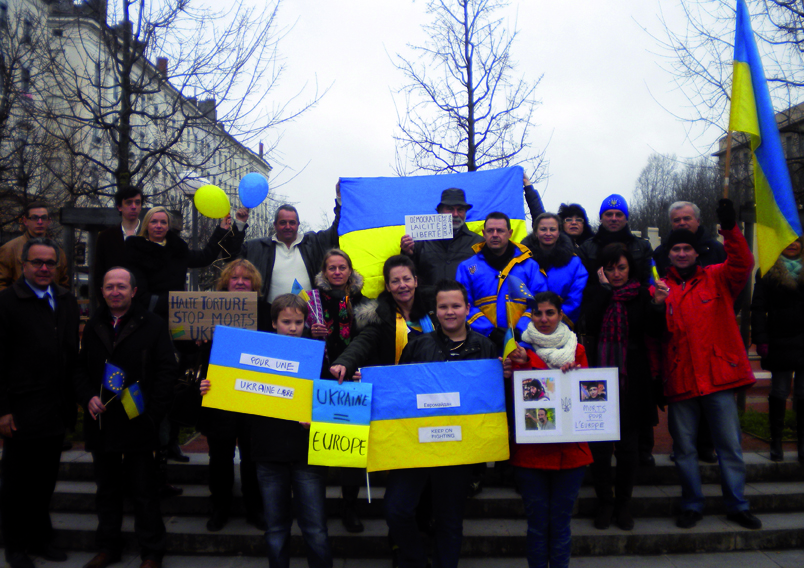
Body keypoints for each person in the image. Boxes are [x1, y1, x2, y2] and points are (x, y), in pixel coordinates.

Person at [652, 199, 762, 530]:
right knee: (684, 449)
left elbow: (743, 263)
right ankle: (691, 502)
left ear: (697, 252)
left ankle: (737, 504)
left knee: (729, 447)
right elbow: (655, 337)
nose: (682, 253)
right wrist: (657, 309)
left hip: (717, 378)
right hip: (681, 380)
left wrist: (730, 229)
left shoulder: (718, 277)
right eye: (676, 250)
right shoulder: (660, 289)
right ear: (668, 255)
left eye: (687, 249)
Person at [202, 294, 333, 568]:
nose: (294, 327)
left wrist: (317, 416)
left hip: (306, 454)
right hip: (267, 453)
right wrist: (210, 389)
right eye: (287, 321)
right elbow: (233, 390)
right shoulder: (254, 354)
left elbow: (329, 399)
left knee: (316, 529)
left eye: (299, 322)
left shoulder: (314, 355)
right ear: (274, 323)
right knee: (275, 530)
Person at [385, 279, 499, 568]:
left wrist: (506, 376)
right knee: (397, 509)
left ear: (467, 308)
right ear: (435, 311)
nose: (450, 312)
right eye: (443, 306)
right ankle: (416, 562)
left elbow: (491, 401)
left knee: (449, 520)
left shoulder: (485, 348)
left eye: (456, 306)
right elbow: (399, 388)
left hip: (459, 448)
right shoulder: (418, 344)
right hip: (416, 444)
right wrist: (374, 382)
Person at [126, 205, 244, 481]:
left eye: (163, 221)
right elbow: (140, 294)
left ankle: (172, 441)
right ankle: (159, 443)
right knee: (157, 379)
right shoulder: (136, 249)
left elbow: (203, 257)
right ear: (146, 224)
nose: (158, 225)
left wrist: (222, 230)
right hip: (152, 320)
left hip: (179, 319)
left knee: (180, 378)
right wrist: (183, 306)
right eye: (154, 221)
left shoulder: (176, 247)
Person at [74, 267, 177, 568]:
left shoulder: (154, 324)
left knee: (144, 491)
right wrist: (87, 396)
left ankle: (152, 551)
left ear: (133, 291)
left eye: (121, 286)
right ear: (102, 291)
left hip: (139, 422)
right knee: (106, 490)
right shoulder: (93, 325)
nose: (115, 292)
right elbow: (79, 368)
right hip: (103, 421)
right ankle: (108, 546)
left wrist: (154, 414)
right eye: (109, 287)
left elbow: (166, 372)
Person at [0, 237, 79, 568]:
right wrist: (2, 409)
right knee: (18, 483)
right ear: (24, 265)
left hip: (55, 407)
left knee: (45, 481)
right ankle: (15, 547)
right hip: (20, 408)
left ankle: (40, 538)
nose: (45, 268)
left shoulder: (66, 300)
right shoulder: (6, 302)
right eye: (38, 262)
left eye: (50, 263)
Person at [503, 291, 592, 568]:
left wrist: (574, 376)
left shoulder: (577, 349)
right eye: (537, 313)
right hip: (531, 454)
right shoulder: (517, 350)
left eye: (549, 313)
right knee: (538, 525)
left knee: (561, 524)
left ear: (560, 314)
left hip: (571, 453)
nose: (543, 319)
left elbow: (586, 400)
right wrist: (507, 369)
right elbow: (508, 399)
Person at [579, 243, 662, 531]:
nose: (616, 274)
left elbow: (655, 332)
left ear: (631, 268)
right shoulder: (595, 292)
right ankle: (605, 501)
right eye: (610, 268)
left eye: (621, 267)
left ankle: (624, 503)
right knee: (600, 449)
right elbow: (589, 320)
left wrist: (658, 305)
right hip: (598, 377)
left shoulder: (641, 294)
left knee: (628, 449)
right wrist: (603, 290)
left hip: (632, 378)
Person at [196, 259, 267, 532]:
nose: (240, 282)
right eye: (234, 278)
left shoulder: (266, 310)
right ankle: (220, 507)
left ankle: (254, 508)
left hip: (253, 394)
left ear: (254, 284)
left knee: (252, 455)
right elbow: (191, 350)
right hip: (219, 391)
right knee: (220, 455)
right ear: (225, 282)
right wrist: (195, 341)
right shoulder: (208, 310)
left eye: (246, 279)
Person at [400, 175, 545, 299]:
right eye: (450, 209)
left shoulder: (479, 243)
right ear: (439, 211)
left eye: (460, 209)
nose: (455, 214)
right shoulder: (419, 242)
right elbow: (408, 276)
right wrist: (407, 254)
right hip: (428, 312)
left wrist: (529, 189)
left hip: (468, 313)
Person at [309, 249, 368, 533]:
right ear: (324, 271)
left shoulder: (365, 304)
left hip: (352, 382)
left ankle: (350, 507)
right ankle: (315, 508)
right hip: (319, 380)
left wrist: (363, 369)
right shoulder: (311, 303)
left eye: (342, 267)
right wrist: (311, 331)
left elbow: (371, 341)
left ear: (349, 270)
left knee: (350, 450)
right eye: (331, 267)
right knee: (319, 448)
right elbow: (290, 332)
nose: (336, 272)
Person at [330, 255, 436, 380]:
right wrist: (344, 362)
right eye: (395, 281)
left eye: (407, 279)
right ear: (388, 286)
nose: (402, 285)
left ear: (415, 281)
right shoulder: (380, 316)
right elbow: (362, 342)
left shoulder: (436, 308)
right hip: (398, 385)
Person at [455, 212, 547, 351]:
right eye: (490, 231)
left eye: (500, 230)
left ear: (510, 233)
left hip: (524, 344)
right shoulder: (466, 267)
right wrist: (490, 332)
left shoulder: (530, 266)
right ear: (483, 233)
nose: (495, 234)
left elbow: (540, 302)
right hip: (480, 346)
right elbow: (461, 305)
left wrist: (520, 330)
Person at [240, 183, 341, 306]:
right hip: (270, 316)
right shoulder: (257, 247)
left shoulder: (313, 243)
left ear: (298, 224)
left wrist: (340, 199)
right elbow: (231, 255)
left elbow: (336, 231)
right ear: (275, 225)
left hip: (308, 316)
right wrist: (239, 224)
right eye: (283, 222)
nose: (288, 227)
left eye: (292, 223)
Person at [750, 237, 804, 462]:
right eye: (788, 241)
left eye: (798, 241)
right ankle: (777, 442)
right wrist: (761, 339)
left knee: (803, 393)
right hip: (778, 340)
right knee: (779, 391)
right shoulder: (767, 272)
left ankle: (802, 446)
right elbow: (758, 308)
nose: (792, 245)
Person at [521, 212, 588, 323]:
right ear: (536, 233)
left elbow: (575, 299)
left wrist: (554, 321)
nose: (548, 233)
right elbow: (519, 298)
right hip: (528, 326)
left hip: (562, 326)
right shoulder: (523, 262)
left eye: (552, 229)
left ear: (559, 233)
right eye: (543, 229)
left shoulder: (574, 263)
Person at [577, 194, 653, 286]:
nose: (613, 219)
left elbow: (648, 282)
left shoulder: (643, 247)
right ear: (601, 218)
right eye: (609, 214)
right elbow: (582, 284)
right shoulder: (586, 248)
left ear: (626, 219)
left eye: (618, 214)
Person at [0, 202, 70, 290]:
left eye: (43, 218)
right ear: (25, 221)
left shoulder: (58, 251)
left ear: (49, 221)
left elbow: (63, 285)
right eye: (34, 218)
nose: (39, 222)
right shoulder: (9, 249)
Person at [92, 186, 145, 299]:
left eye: (137, 202)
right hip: (114, 301)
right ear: (119, 207)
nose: (134, 207)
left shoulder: (148, 235)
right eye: (129, 203)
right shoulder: (106, 237)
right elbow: (99, 274)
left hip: (144, 304)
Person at [653, 201, 726, 276]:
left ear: (698, 221)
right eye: (677, 220)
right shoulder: (661, 252)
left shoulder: (716, 250)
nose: (682, 223)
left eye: (686, 219)